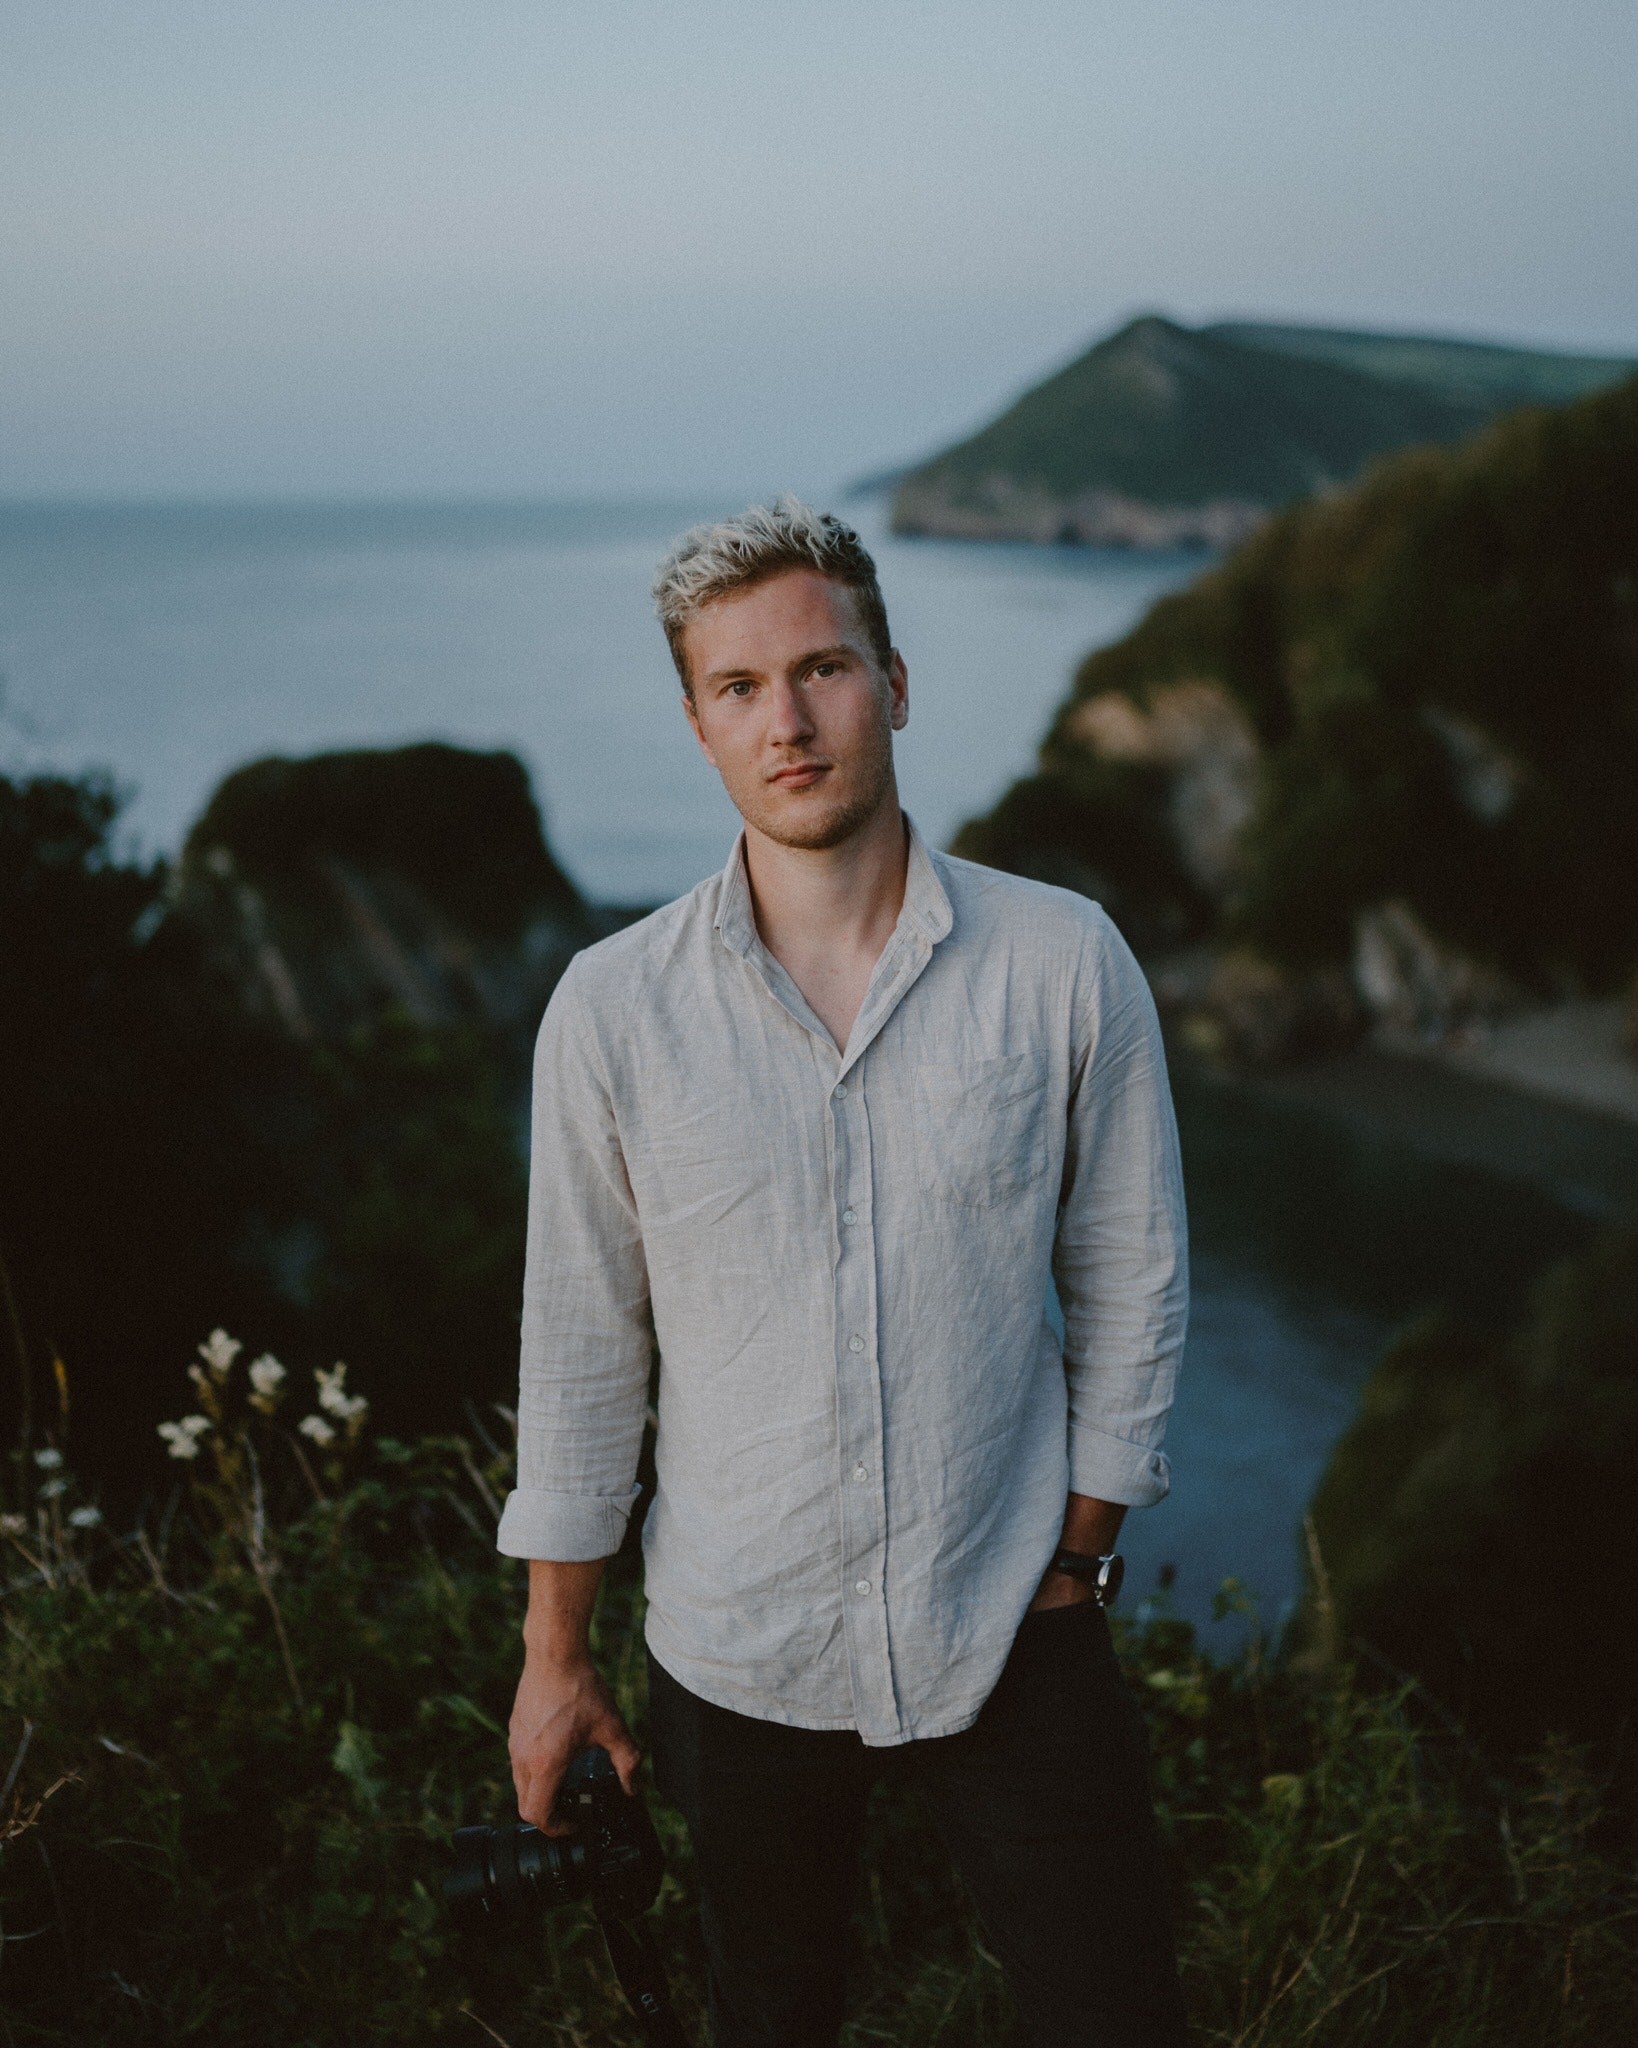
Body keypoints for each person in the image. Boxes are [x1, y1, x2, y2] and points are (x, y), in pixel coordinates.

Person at [498, 498, 1190, 2047]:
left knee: (1112, 2013)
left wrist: (1078, 1563)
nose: (788, 722)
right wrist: (555, 1660)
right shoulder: (610, 1011)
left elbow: (1133, 1278)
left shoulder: (1062, 960)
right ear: (697, 724)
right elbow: (581, 1348)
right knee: (771, 2019)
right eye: (739, 687)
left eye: (821, 669)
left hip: (1013, 1619)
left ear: (893, 681)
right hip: (732, 1650)